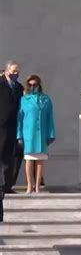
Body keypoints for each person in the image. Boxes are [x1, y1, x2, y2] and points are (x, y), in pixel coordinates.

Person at [17, 75, 55, 193]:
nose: (33, 87)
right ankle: (29, 185)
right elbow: (19, 118)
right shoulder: (24, 100)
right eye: (30, 85)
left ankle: (38, 186)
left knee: (39, 160)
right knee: (29, 159)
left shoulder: (46, 99)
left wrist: (51, 134)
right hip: (28, 132)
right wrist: (19, 135)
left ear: (39, 85)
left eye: (35, 85)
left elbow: (50, 118)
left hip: (41, 133)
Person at [0, 61, 24, 194]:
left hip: (13, 126)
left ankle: (7, 185)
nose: (15, 74)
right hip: (1, 125)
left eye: (17, 72)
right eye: (13, 71)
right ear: (7, 70)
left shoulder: (19, 88)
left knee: (10, 156)